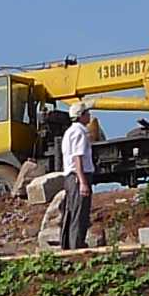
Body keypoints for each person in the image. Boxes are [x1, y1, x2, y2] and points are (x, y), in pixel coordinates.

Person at [54, 103, 100, 250]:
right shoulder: (79, 132)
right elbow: (77, 158)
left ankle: (69, 245)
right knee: (80, 213)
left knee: (72, 212)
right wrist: (83, 182)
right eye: (87, 113)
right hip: (77, 176)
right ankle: (76, 246)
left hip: (72, 177)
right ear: (81, 115)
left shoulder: (70, 132)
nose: (89, 115)